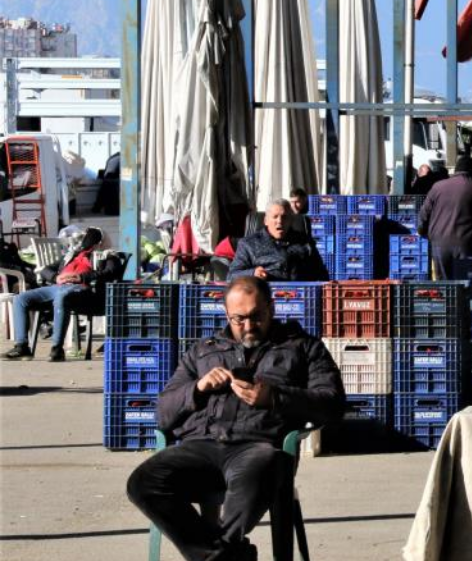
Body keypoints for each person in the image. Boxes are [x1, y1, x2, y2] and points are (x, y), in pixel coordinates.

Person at [127, 276, 345, 561]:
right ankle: (226, 555)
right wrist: (198, 388)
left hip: (258, 447)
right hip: (201, 446)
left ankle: (224, 554)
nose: (248, 326)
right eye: (238, 318)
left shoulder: (303, 348)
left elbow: (333, 404)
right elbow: (162, 414)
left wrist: (274, 397)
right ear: (226, 314)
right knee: (143, 482)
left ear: (272, 308)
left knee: (261, 468)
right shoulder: (203, 350)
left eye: (257, 316)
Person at [4, 227, 122, 361]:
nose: (86, 242)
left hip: (83, 290)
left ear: (100, 243)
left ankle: (57, 349)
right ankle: (22, 347)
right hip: (58, 286)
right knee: (21, 299)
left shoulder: (107, 255)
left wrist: (81, 277)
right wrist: (55, 277)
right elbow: (45, 269)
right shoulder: (72, 255)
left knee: (62, 297)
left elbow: (111, 272)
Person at [417, 156, 472, 280]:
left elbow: (424, 215)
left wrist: (422, 232)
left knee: (444, 286)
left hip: (440, 244)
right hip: (468, 244)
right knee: (469, 285)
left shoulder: (437, 187)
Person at [228, 200, 329, 282]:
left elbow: (322, 275)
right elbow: (231, 276)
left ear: (291, 221)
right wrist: (252, 273)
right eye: (275, 217)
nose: (280, 221)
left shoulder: (305, 242)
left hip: (300, 297)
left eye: (284, 217)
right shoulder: (248, 244)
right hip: (264, 297)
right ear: (266, 221)